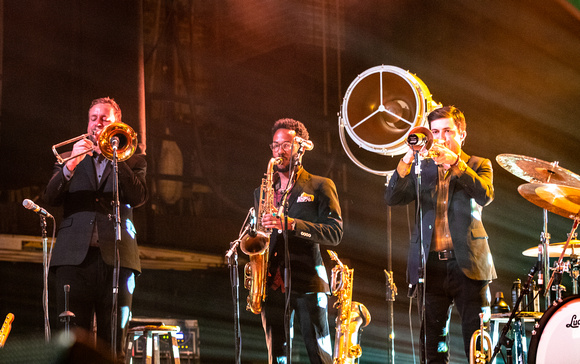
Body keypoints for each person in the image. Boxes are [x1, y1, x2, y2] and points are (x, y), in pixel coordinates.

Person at [385, 106, 495, 363]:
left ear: (462, 134)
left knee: (477, 344)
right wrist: (407, 158)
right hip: (430, 266)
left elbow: (485, 195)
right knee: (433, 348)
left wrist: (455, 162)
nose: (442, 137)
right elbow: (392, 197)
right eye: (435, 132)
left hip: (468, 263)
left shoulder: (478, 164)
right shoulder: (422, 169)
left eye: (448, 131)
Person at [43, 97, 147, 359]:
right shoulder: (70, 156)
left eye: (104, 119)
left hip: (117, 260)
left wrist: (114, 157)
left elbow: (139, 197)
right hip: (73, 261)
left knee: (113, 342)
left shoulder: (134, 159)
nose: (97, 124)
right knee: (72, 341)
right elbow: (50, 198)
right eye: (93, 118)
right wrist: (70, 165)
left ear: (117, 125)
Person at [257, 118, 343, 364]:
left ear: (301, 147)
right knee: (278, 358)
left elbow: (335, 232)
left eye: (286, 145)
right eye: (275, 145)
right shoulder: (263, 191)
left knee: (319, 356)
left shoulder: (320, 185)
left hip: (308, 282)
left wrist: (292, 225)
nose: (279, 151)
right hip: (272, 284)